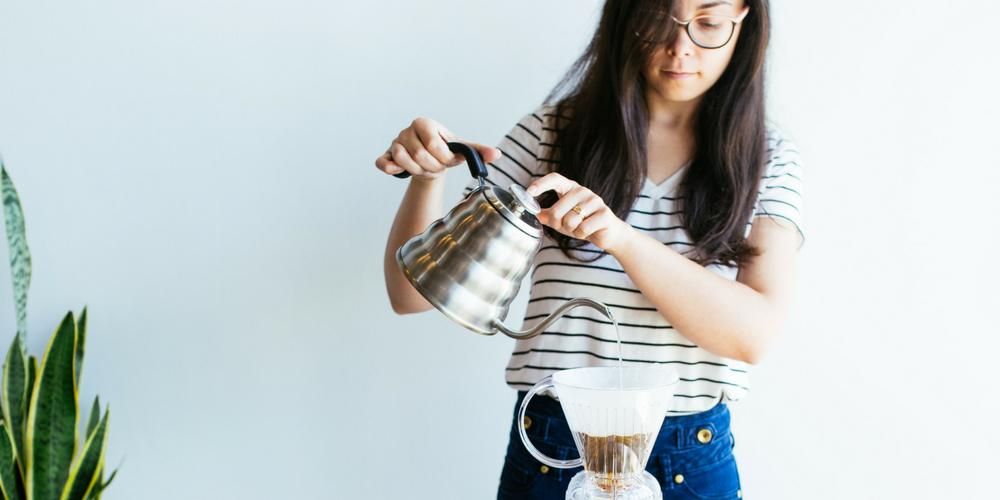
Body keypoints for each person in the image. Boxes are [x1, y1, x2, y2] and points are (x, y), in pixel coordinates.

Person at [376, 0, 802, 498]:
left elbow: (752, 336)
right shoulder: (550, 135)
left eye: (707, 22)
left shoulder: (769, 159)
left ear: (744, 20)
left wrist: (618, 237)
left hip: (689, 457)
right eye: (659, 18)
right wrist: (427, 179)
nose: (681, 46)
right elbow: (410, 296)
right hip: (551, 450)